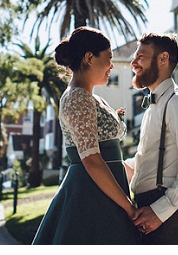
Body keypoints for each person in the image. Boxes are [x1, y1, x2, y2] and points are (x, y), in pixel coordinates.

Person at [32, 27, 141, 244]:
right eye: (109, 58)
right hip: (90, 196)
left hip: (106, 191)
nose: (111, 66)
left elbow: (111, 157)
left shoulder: (91, 98)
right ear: (89, 58)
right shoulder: (77, 98)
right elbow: (91, 159)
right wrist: (128, 207)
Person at [125, 32, 178, 244]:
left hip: (171, 215)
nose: (133, 62)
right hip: (148, 209)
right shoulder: (153, 106)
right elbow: (148, 160)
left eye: (141, 56)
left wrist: (161, 211)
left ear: (163, 59)